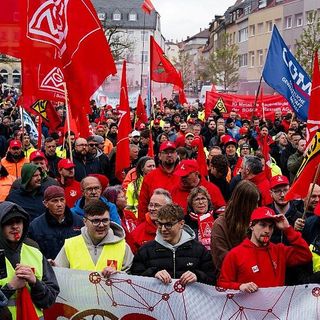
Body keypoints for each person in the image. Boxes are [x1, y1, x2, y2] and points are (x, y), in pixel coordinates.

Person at [217, 207, 312, 292]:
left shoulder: (279, 250)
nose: (267, 230)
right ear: (251, 226)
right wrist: (240, 286)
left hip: (275, 310)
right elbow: (222, 284)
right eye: (262, 225)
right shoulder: (235, 254)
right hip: (248, 310)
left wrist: (288, 229)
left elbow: (305, 255)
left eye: (271, 226)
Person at [0, 201, 59, 318]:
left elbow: (50, 299)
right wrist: (10, 287)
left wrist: (35, 282)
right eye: (9, 223)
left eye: (18, 222)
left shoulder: (35, 252)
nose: (15, 226)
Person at [131, 204, 215, 285]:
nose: (163, 229)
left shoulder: (199, 250)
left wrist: (197, 276)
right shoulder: (145, 251)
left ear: (181, 224)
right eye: (160, 224)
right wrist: (153, 274)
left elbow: (212, 279)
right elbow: (134, 280)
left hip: (189, 299)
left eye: (168, 225)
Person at [55, 199, 133, 276]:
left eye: (105, 220)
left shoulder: (123, 246)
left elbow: (133, 278)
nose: (101, 225)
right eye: (96, 221)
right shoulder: (70, 245)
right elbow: (58, 275)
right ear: (85, 221)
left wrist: (119, 275)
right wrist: (52, 267)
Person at [211, 180, 260, 273]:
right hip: (232, 279)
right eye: (254, 204)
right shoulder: (220, 225)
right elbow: (221, 260)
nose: (257, 207)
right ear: (244, 204)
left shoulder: (256, 223)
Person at [28, 186, 84, 259]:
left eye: (62, 200)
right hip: (48, 268)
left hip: (73, 267)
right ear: (45, 203)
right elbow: (32, 252)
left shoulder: (79, 221)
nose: (59, 204)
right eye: (54, 201)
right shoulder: (35, 226)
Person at [138, 141, 180, 220]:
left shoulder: (183, 175)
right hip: (156, 223)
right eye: (166, 152)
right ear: (159, 156)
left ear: (176, 155)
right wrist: (142, 225)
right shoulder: (150, 177)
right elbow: (143, 205)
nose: (169, 155)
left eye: (172, 152)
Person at [268, 175, 304, 244]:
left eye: (285, 190)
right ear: (271, 193)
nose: (282, 194)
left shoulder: (300, 217)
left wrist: (295, 231)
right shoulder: (267, 215)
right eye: (277, 191)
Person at [186, 186, 215, 250]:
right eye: (197, 199)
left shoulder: (217, 219)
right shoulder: (185, 221)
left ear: (208, 201)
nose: (201, 202)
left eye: (203, 198)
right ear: (191, 203)